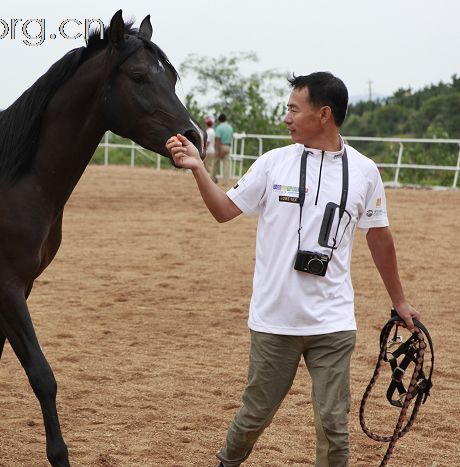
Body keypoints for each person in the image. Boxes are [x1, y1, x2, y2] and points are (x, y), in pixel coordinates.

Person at [165, 72, 420, 467]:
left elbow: (379, 237)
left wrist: (400, 301)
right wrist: (199, 168)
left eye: (292, 109)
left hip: (332, 323)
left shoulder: (366, 171)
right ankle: (227, 461)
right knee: (254, 416)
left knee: (334, 424)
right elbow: (223, 211)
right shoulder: (272, 164)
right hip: (274, 322)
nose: (285, 117)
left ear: (323, 114)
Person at [214, 113, 234, 181]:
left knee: (215, 163)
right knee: (226, 165)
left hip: (221, 146)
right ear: (226, 119)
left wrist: (218, 151)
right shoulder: (230, 127)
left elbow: (218, 140)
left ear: (219, 120)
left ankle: (212, 178)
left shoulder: (219, 128)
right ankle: (225, 181)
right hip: (228, 146)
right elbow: (231, 138)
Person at [203, 116, 217, 181]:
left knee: (207, 165)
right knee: (209, 165)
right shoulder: (213, 131)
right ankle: (212, 177)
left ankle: (211, 178)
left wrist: (204, 148)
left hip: (208, 151)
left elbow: (208, 141)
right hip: (212, 150)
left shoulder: (208, 131)